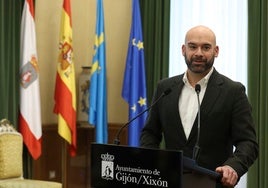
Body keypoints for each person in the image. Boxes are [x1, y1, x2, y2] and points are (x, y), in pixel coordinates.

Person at [140, 25, 258, 187]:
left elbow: (248, 143)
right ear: (183, 49)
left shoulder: (233, 91)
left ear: (216, 51)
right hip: (169, 181)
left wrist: (233, 167)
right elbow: (150, 133)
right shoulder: (165, 88)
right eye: (193, 46)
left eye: (206, 47)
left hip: (213, 183)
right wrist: (153, 163)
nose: (199, 53)